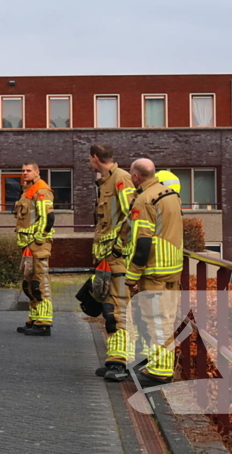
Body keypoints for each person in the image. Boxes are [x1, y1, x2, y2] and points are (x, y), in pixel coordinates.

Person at [106, 158, 184, 387]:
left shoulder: (143, 200)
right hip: (173, 267)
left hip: (154, 269)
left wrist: (132, 275)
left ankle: (159, 372)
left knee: (154, 320)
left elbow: (142, 242)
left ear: (137, 177)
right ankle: (163, 366)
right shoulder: (169, 194)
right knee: (166, 319)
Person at [88, 144, 136, 377]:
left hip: (116, 257)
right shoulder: (107, 181)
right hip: (105, 257)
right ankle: (113, 360)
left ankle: (120, 363)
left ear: (95, 158)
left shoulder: (121, 179)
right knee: (109, 310)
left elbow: (131, 216)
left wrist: (118, 247)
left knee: (117, 310)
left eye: (90, 159)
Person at [15, 162, 55, 336]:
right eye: (23, 170)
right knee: (29, 284)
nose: (24, 173)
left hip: (38, 245)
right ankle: (33, 318)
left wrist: (39, 238)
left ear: (37, 172)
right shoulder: (27, 190)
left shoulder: (41, 190)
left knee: (40, 283)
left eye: (28, 170)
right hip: (28, 246)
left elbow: (48, 217)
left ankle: (44, 323)